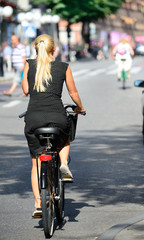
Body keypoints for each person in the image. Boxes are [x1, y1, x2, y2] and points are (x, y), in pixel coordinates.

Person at [22, 34, 85, 217]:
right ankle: (64, 163)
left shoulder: (29, 64)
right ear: (54, 50)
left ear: (36, 50)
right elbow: (73, 92)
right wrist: (80, 108)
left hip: (33, 119)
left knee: (36, 162)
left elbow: (25, 90)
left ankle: (38, 204)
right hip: (57, 116)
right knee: (65, 137)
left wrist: (30, 63)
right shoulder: (63, 67)